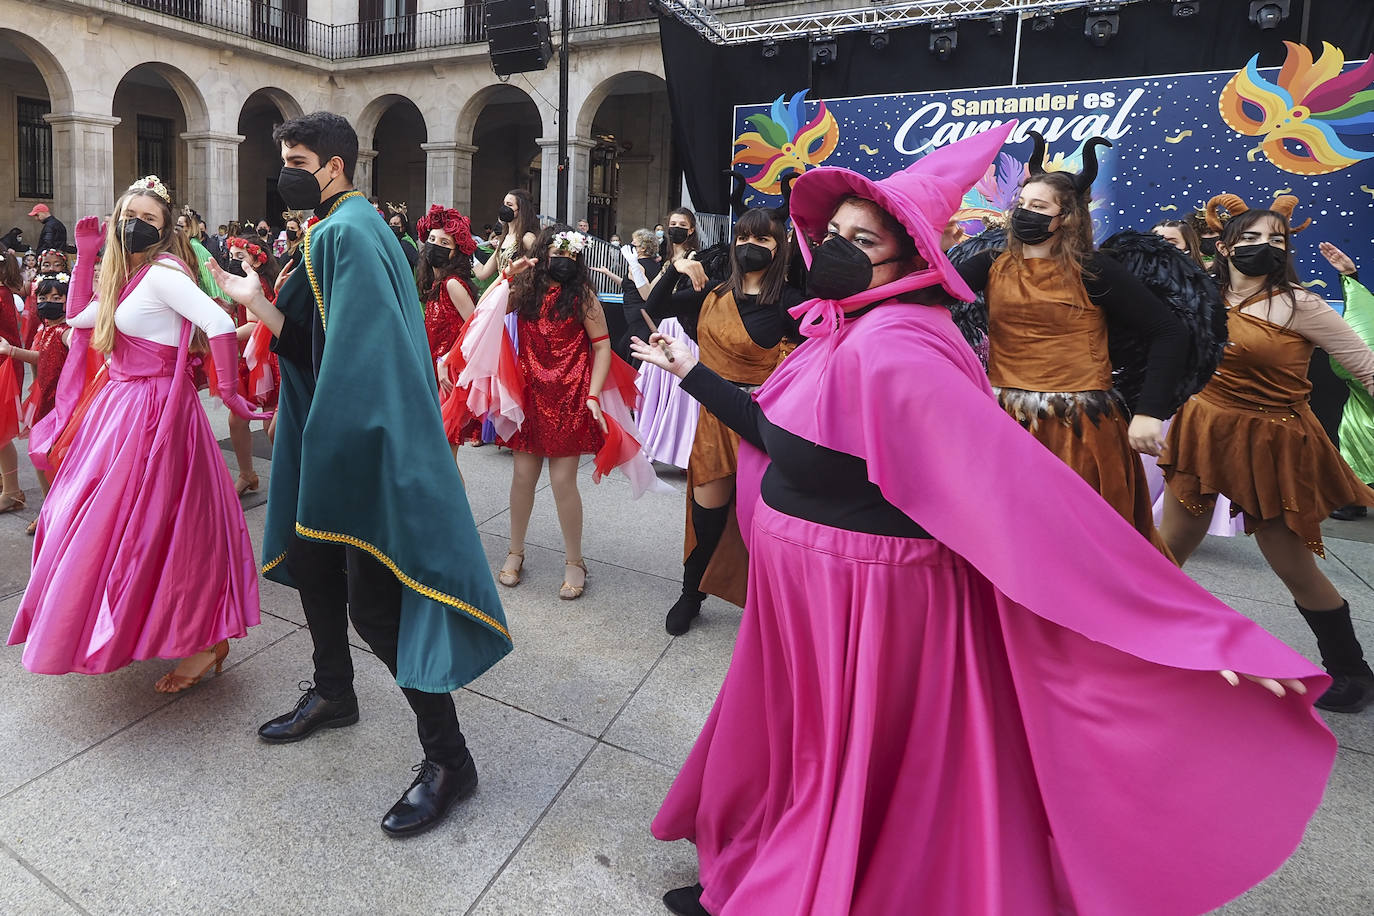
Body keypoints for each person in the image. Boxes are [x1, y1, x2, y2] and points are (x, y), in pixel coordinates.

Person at [633, 123, 1337, 916]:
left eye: (862, 239)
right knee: (802, 746)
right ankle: (763, 857)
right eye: (831, 234)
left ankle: (802, 883)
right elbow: (775, 433)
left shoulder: (905, 346)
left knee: (841, 758)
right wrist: (692, 373)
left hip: (866, 600)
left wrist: (1184, 630)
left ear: (910, 259)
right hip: (806, 593)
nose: (836, 248)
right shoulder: (837, 329)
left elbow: (1022, 495)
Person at [208, 111, 511, 837]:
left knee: (376, 603)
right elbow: (320, 339)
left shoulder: (345, 230)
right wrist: (260, 306)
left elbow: (354, 355)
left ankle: (450, 760)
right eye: (285, 157)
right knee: (316, 570)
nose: (287, 171)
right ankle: (335, 693)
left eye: (299, 158)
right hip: (330, 429)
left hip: (361, 442)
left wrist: (256, 307)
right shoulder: (345, 227)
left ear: (336, 166)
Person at [7, 177, 263, 690]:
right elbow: (82, 317)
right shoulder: (131, 277)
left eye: (150, 219)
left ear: (166, 228)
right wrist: (83, 259)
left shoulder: (164, 272)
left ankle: (202, 640)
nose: (138, 225)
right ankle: (181, 632)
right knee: (106, 522)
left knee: (162, 528)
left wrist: (233, 395)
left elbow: (217, 321)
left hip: (154, 415)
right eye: (133, 215)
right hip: (123, 411)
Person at [1159, 207, 1374, 712]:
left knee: (1291, 564)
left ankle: (1351, 669)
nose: (1267, 245)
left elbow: (1366, 365)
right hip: (1204, 431)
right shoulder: (1201, 297)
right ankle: (1144, 639)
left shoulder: (1301, 305)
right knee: (1169, 546)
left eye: (1276, 239)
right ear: (1226, 247)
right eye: (1252, 236)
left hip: (1272, 445)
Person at [954, 135, 1186, 554]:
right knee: (1004, 549)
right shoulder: (990, 263)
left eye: (1039, 207)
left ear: (1067, 217)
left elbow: (1168, 331)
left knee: (1081, 551)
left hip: (1078, 429)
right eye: (1022, 203)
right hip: (1004, 424)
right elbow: (931, 295)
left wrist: (1150, 412)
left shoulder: (1095, 270)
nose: (1025, 212)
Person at [643, 206, 802, 634]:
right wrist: (678, 268)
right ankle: (691, 593)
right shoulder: (712, 292)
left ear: (778, 248)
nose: (751, 247)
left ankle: (772, 605)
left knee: (766, 521)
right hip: (714, 421)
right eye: (745, 239)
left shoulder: (791, 303)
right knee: (705, 513)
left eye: (763, 240)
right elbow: (653, 307)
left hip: (764, 424)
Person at [491, 228, 614, 600]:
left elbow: (603, 348)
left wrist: (593, 395)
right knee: (522, 477)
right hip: (529, 396)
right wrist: (507, 275)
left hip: (570, 396)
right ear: (543, 254)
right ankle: (515, 552)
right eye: (556, 252)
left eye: (571, 254)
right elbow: (487, 310)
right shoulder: (525, 292)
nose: (563, 260)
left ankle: (575, 561)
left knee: (563, 483)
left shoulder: (584, 297)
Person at [415, 203, 480, 454]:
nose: (435, 245)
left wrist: (447, 360)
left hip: (448, 377)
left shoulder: (453, 284)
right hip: (432, 373)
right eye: (432, 239)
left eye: (444, 243)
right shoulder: (434, 284)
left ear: (455, 253)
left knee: (443, 459)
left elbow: (475, 330)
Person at [1322, 242, 1374, 519]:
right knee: (1354, 436)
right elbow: (1362, 314)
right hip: (1364, 393)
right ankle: (1353, 497)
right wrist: (1349, 277)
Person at [0, 253, 28, 513]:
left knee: (0, 435)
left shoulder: (1, 293)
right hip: (4, 364)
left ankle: (12, 492)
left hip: (3, 367)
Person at [387, 204, 419, 271]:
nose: (392, 226)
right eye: (390, 224)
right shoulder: (391, 241)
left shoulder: (405, 243)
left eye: (396, 224)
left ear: (403, 227)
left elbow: (418, 262)